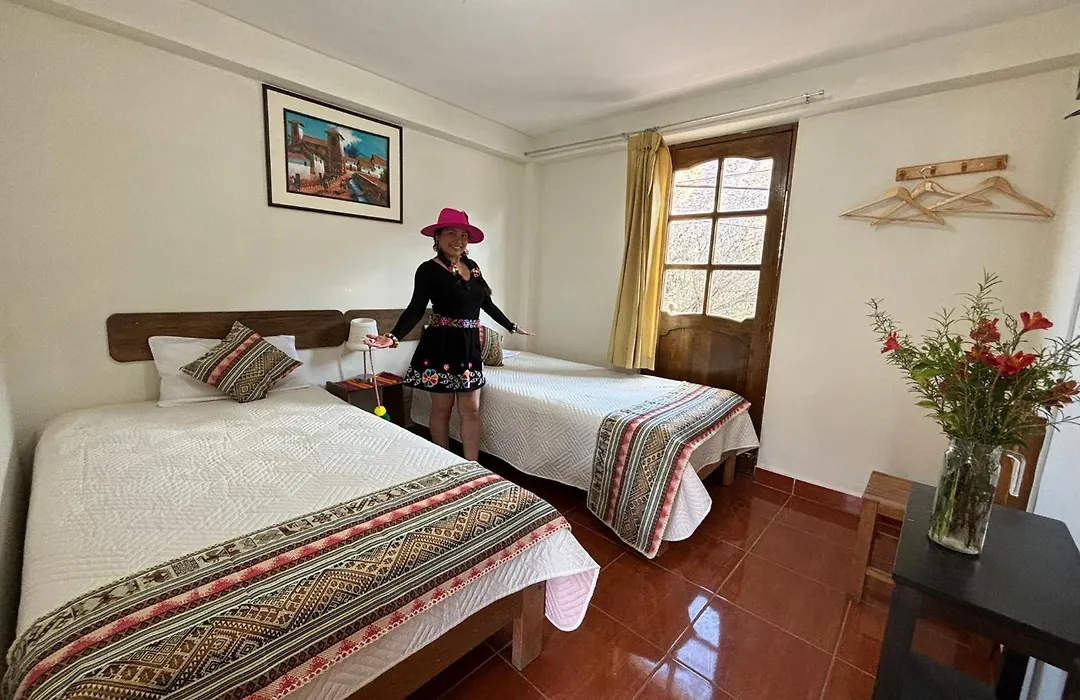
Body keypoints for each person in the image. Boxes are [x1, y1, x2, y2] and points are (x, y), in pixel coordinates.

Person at [366, 208, 530, 460]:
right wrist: (393, 336)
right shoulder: (427, 270)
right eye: (451, 233)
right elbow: (415, 309)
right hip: (441, 345)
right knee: (442, 410)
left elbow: (486, 303)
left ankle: (472, 465)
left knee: (471, 411)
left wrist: (510, 326)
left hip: (469, 346)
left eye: (463, 235)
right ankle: (446, 461)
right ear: (438, 237)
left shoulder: (472, 267)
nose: (458, 240)